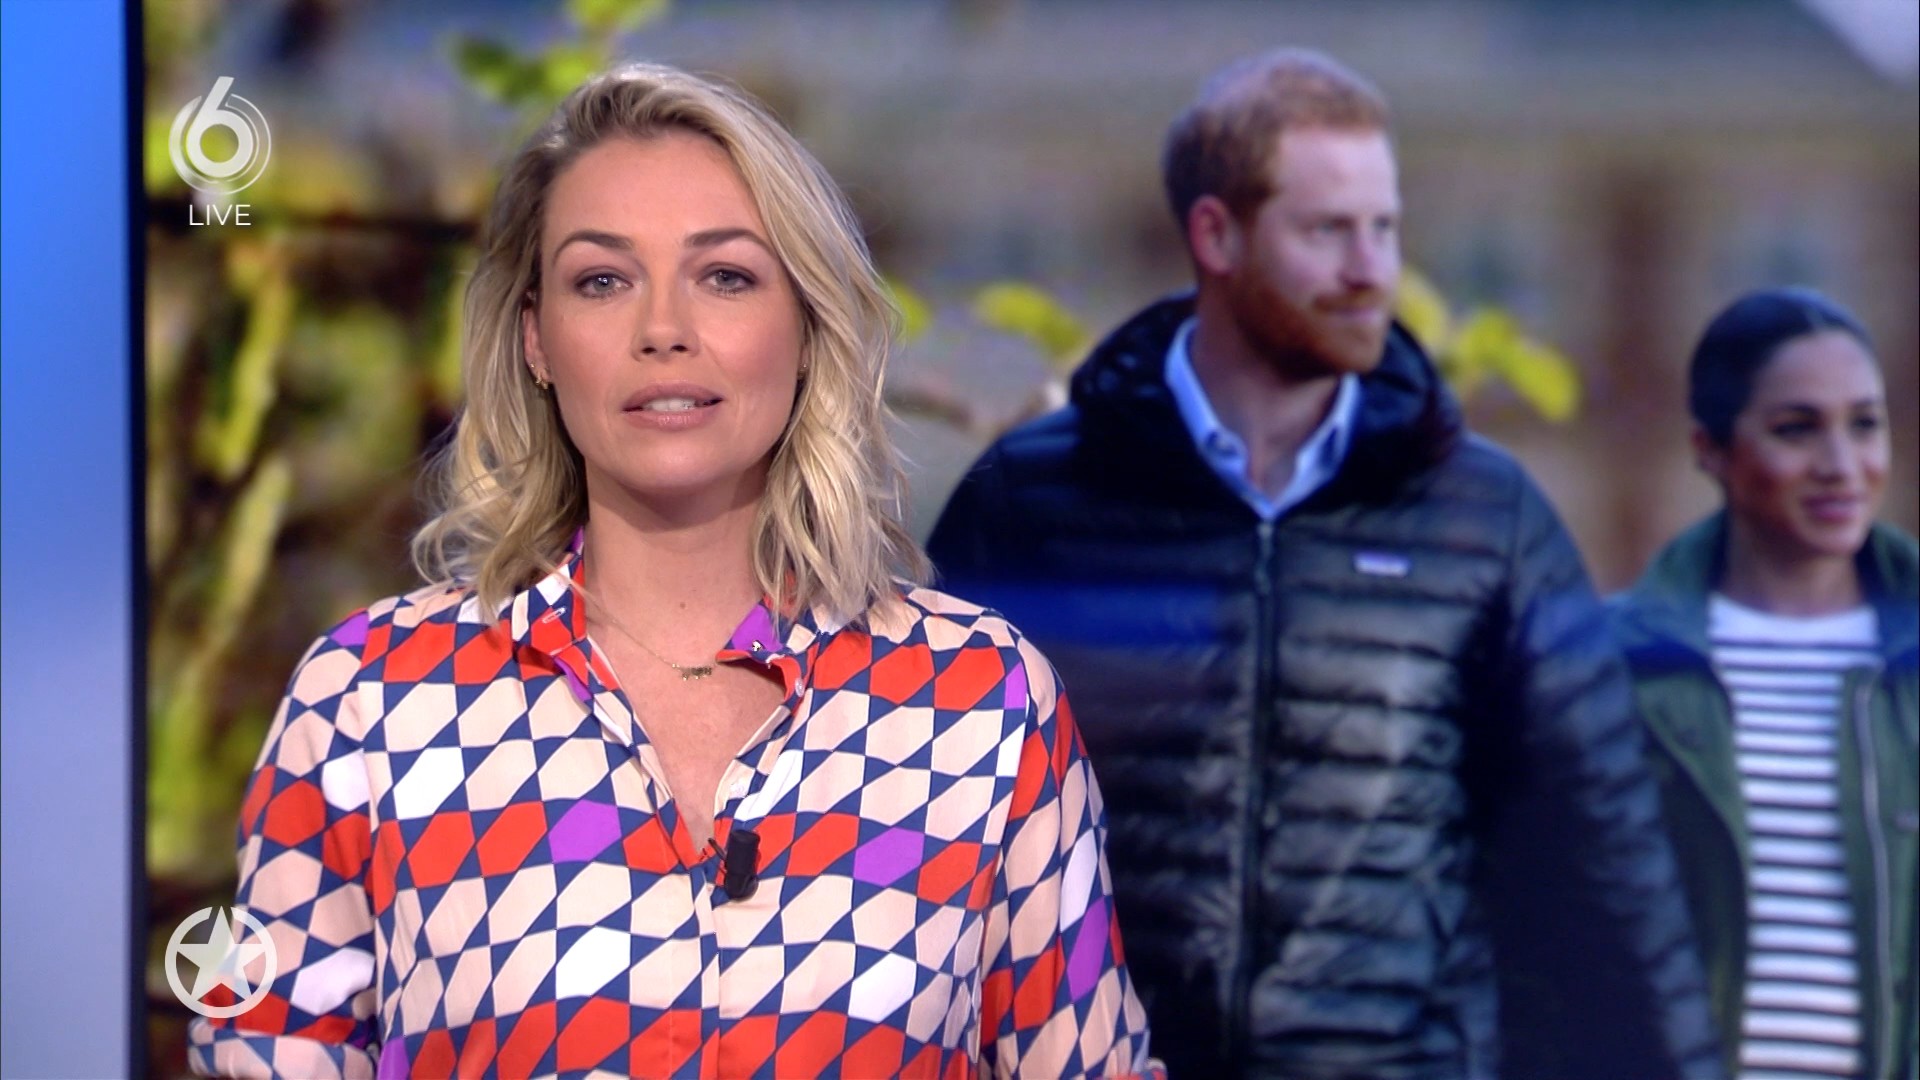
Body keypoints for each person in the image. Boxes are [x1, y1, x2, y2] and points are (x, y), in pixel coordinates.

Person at [188, 63, 1160, 1080]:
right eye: (602, 281)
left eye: (725, 276)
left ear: (806, 326)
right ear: (536, 339)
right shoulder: (370, 703)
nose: (663, 330)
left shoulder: (981, 704)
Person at [927, 48, 1721, 1080]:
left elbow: (1608, 881)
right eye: (1326, 230)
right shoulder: (1025, 503)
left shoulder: (1489, 521)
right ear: (1215, 236)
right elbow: (924, 844)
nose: (1370, 269)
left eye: (1384, 228)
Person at [1611, 287, 1917, 1080]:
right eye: (1796, 429)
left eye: (1865, 424)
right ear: (1710, 449)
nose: (1841, 466)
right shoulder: (1611, 668)